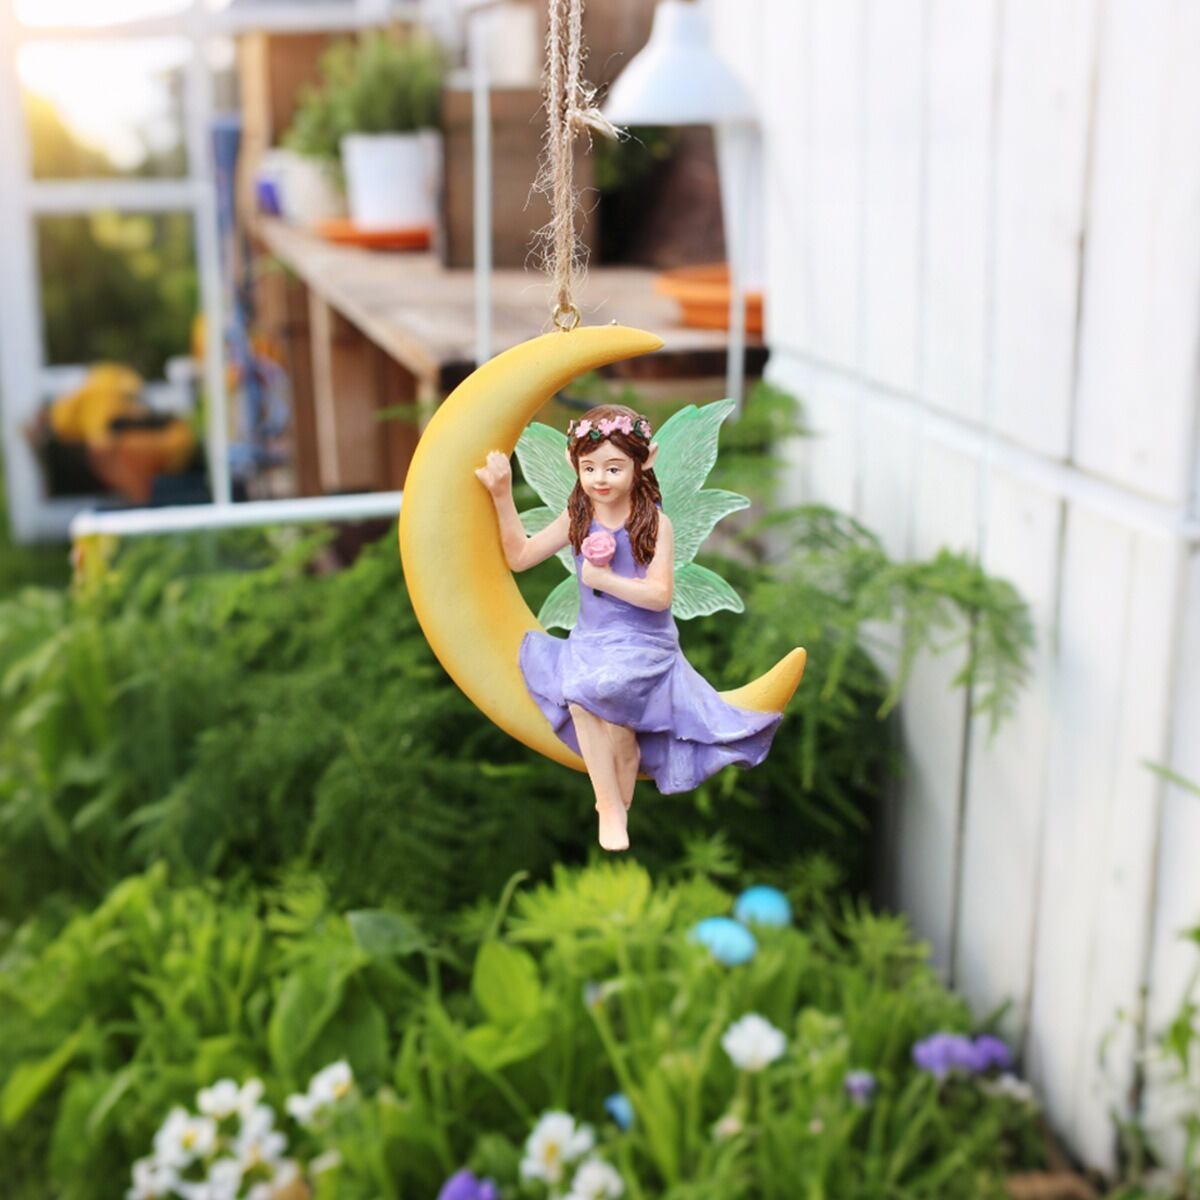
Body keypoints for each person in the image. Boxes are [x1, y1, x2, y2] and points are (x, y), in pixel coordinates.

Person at [475, 403, 782, 852]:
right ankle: (610, 806)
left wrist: (604, 580)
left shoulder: (656, 523)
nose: (600, 479)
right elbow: (520, 557)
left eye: (614, 468)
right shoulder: (578, 517)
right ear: (573, 466)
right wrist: (503, 495)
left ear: (644, 461)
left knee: (598, 689)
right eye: (589, 468)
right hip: (591, 640)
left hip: (645, 643)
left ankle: (619, 778)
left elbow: (659, 595)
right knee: (581, 693)